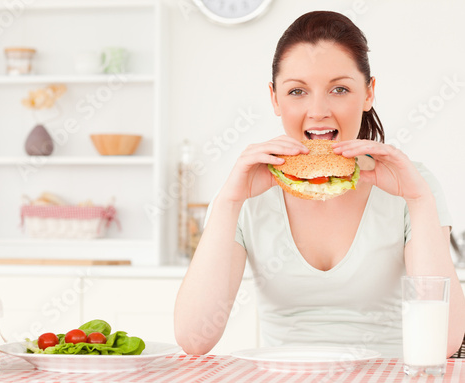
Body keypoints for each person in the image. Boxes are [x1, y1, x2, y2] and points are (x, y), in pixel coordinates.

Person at [174, 10, 465, 357]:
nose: (318, 111)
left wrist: (418, 199)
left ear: (369, 93)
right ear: (274, 99)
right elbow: (194, 339)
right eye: (297, 91)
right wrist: (227, 203)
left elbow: (444, 343)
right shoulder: (246, 193)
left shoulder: (411, 184)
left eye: (339, 89)